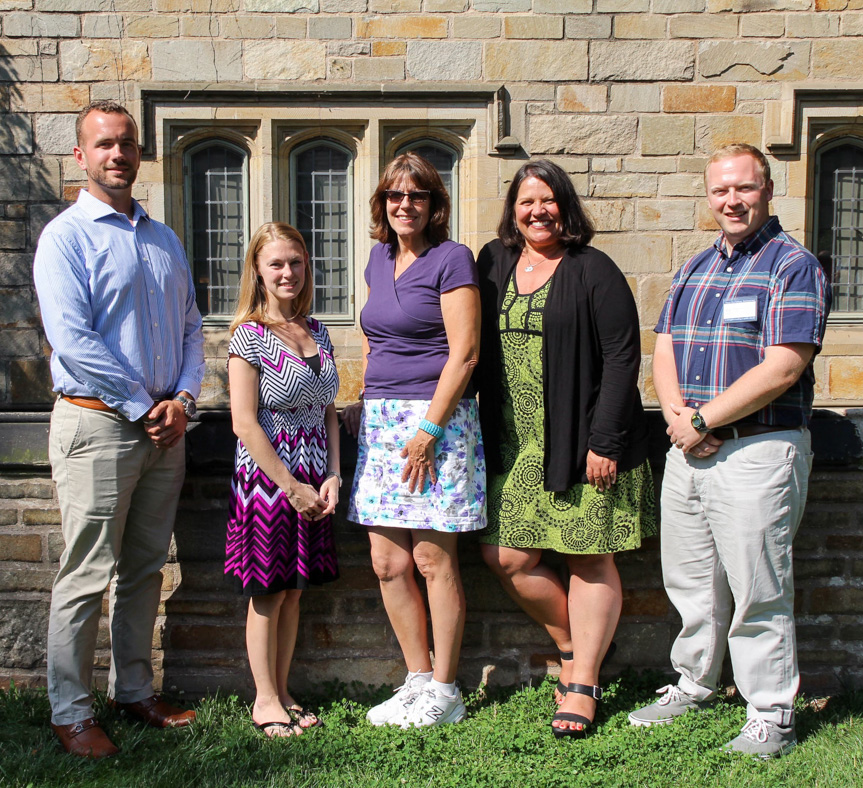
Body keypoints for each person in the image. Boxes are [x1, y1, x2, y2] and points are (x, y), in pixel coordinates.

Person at [629, 143, 830, 759]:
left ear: (768, 191)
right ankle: (695, 682)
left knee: (758, 587)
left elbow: (784, 366)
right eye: (721, 191)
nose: (732, 201)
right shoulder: (695, 268)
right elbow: (663, 348)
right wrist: (680, 419)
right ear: (709, 197)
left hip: (759, 449)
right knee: (691, 581)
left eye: (743, 189)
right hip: (690, 448)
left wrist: (703, 418)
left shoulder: (793, 267)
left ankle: (770, 712)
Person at [33, 100, 204, 758]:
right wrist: (143, 404)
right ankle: (71, 710)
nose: (117, 154)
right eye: (103, 144)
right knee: (85, 574)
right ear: (81, 155)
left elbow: (191, 326)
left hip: (165, 430)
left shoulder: (163, 239)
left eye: (127, 143)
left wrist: (184, 399)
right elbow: (73, 342)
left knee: (142, 571)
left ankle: (134, 689)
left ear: (140, 153)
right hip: (99, 426)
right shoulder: (67, 238)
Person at [475, 160, 657, 739]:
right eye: (527, 202)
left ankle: (581, 683)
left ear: (566, 207)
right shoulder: (494, 262)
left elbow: (624, 357)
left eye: (549, 201)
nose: (538, 212)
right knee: (505, 557)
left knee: (587, 556)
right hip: (515, 442)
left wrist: (605, 441)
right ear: (512, 210)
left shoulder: (593, 269)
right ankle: (576, 650)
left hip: (581, 442)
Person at [342, 153, 485, 729]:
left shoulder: (452, 259)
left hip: (436, 420)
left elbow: (465, 353)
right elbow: (375, 342)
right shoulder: (378, 259)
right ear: (382, 203)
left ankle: (447, 691)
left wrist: (428, 428)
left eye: (417, 196)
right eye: (395, 196)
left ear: (434, 205)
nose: (405, 205)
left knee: (431, 557)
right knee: (386, 560)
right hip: (381, 422)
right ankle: (416, 679)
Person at [226, 222, 342, 738]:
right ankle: (264, 699)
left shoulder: (318, 330)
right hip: (269, 480)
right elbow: (243, 421)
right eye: (276, 263)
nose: (288, 272)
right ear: (258, 270)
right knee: (268, 591)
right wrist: (289, 486)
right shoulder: (247, 337)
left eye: (296, 262)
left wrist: (333, 475)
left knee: (295, 591)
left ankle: (285, 689)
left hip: (316, 476)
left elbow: (329, 412)